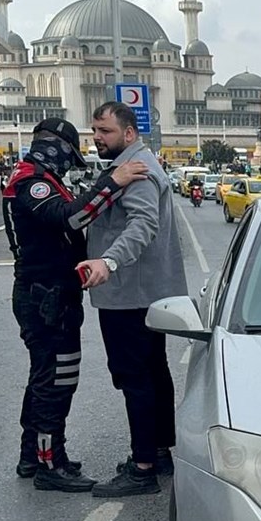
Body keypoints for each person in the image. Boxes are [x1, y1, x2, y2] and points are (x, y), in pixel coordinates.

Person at [4, 117, 149, 492]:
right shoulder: (31, 182)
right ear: (56, 147)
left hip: (51, 292)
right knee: (55, 379)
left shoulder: (42, 178)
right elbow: (69, 218)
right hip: (44, 295)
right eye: (70, 156)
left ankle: (31, 455)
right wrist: (112, 183)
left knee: (45, 376)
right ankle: (51, 464)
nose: (70, 165)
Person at [78, 102, 188, 498]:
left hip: (129, 293)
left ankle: (142, 467)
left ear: (128, 133)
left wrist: (109, 260)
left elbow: (143, 224)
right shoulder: (131, 165)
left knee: (135, 377)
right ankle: (157, 452)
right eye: (94, 130)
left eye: (104, 131)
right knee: (153, 373)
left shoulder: (136, 172)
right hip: (143, 291)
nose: (96, 138)